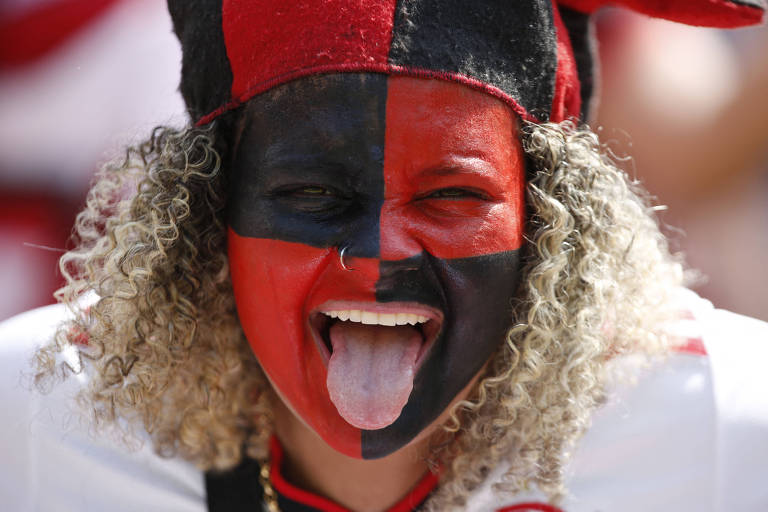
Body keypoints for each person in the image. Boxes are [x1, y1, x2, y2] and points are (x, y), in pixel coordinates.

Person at [2, 1, 767, 511]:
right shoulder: (36, 417)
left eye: (453, 197)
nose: (377, 257)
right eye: (310, 195)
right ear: (207, 214)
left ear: (551, 225)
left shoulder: (724, 423)